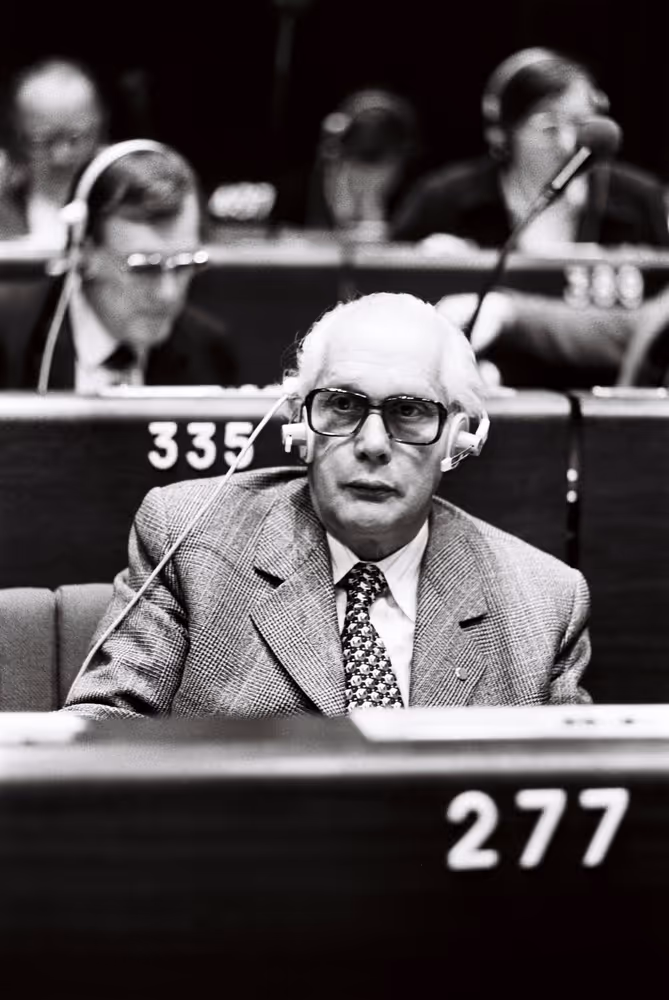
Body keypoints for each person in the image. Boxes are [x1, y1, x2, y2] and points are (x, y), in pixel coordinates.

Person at [63, 292, 591, 719]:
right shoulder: (191, 540)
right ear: (299, 427)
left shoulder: (543, 604)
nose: (373, 443)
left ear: (457, 439)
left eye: (410, 412)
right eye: (344, 405)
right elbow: (99, 738)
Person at [0, 144, 238, 390]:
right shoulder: (8, 336)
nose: (168, 293)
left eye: (185, 264)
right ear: (83, 253)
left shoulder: (209, 351)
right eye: (145, 268)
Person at [391, 48, 669, 250]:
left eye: (581, 123)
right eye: (548, 127)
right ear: (502, 131)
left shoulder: (640, 197)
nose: (567, 142)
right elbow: (382, 289)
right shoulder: (442, 197)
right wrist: (424, 261)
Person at [272, 89, 422, 240]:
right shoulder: (312, 181)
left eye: (380, 133)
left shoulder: (419, 189)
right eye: (362, 132)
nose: (370, 139)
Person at [0, 58, 107, 247]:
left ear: (98, 127)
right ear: (18, 134)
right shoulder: (5, 189)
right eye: (41, 140)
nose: (60, 156)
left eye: (75, 137)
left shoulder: (123, 186)